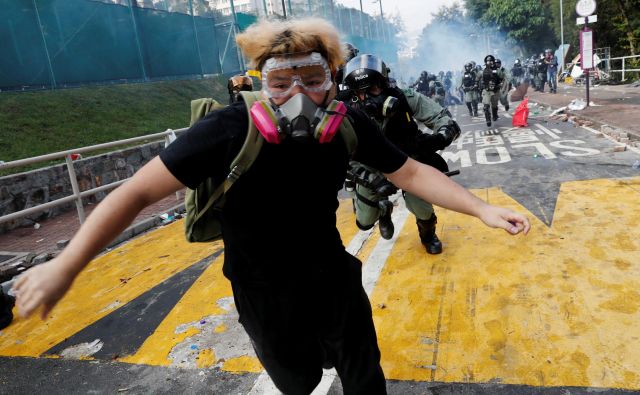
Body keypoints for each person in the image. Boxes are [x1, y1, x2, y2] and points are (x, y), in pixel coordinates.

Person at [13, 18, 530, 395]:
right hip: (260, 288)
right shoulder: (228, 128)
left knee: (364, 374)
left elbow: (412, 171)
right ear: (262, 82)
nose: (297, 96)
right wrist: (67, 264)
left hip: (331, 274)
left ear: (332, 79)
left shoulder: (347, 123)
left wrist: (480, 210)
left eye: (311, 80)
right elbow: (135, 193)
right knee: (298, 380)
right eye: (281, 83)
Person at [342, 53, 461, 254]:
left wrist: (439, 138)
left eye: (373, 89)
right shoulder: (346, 111)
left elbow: (442, 118)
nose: (368, 98)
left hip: (407, 163)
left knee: (422, 208)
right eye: (361, 92)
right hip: (371, 169)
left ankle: (428, 235)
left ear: (385, 84)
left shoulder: (404, 97)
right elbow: (341, 156)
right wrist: (369, 178)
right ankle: (383, 210)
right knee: (364, 222)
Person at [481, 54, 503, 127]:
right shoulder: (482, 71)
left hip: (495, 90)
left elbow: (502, 78)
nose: (489, 62)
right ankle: (488, 119)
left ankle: (495, 115)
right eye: (488, 61)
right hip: (486, 91)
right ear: (485, 62)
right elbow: (477, 79)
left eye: (491, 61)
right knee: (486, 106)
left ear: (493, 61)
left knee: (494, 106)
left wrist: (501, 83)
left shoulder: (497, 70)